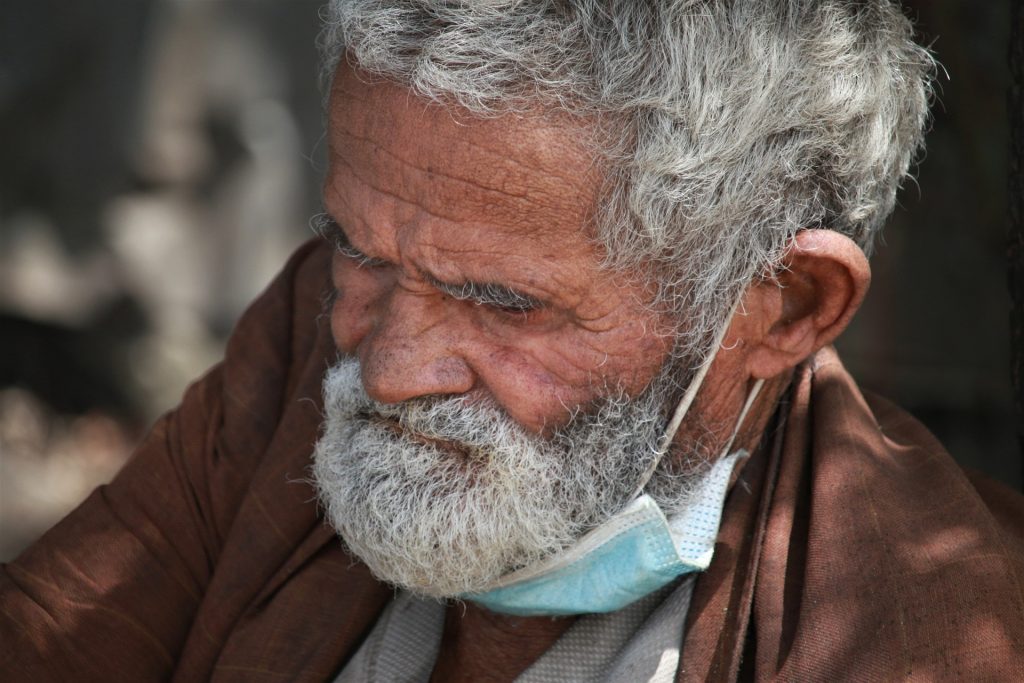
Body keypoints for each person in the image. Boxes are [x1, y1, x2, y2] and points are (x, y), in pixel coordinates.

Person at [3, 1, 1024, 680]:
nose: (389, 367)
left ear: (788, 306)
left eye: (502, 302)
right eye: (362, 250)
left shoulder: (929, 635)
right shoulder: (305, 340)